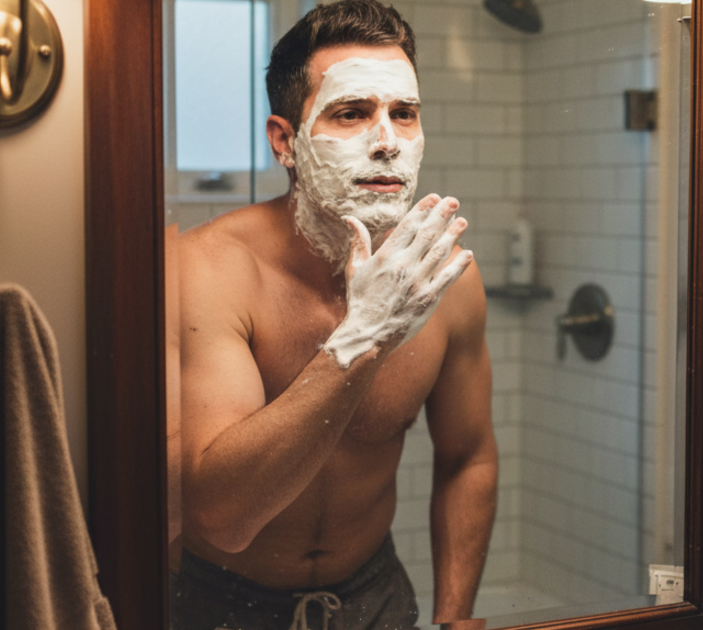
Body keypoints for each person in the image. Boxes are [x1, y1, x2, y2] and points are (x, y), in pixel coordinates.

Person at [172, 2, 497, 629]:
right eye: (352, 114)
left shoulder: (448, 279)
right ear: (284, 141)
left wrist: (457, 617)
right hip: (219, 599)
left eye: (404, 115)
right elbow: (222, 516)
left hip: (373, 593)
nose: (386, 142)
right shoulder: (208, 271)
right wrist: (364, 333)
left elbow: (469, 457)